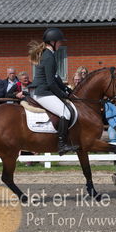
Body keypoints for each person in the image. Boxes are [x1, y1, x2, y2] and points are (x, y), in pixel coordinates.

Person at [28, 28, 78, 156]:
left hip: (42, 90)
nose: (61, 44)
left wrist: (66, 88)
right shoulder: (48, 56)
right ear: (52, 42)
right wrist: (63, 95)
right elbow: (50, 82)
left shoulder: (48, 54)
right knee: (65, 113)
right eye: (60, 42)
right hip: (42, 92)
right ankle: (61, 145)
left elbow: (56, 77)